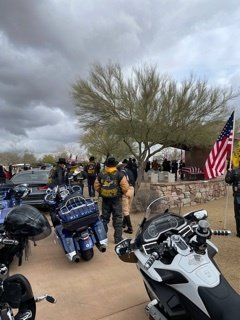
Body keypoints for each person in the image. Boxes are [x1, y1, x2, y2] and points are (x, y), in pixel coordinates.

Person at [94, 157, 130, 244]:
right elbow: (125, 187)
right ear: (115, 165)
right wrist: (119, 193)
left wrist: (103, 192)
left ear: (106, 165)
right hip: (116, 200)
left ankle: (102, 238)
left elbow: (96, 186)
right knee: (117, 219)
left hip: (105, 200)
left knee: (104, 219)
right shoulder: (120, 174)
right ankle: (118, 239)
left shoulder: (101, 174)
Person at [118, 159, 135, 234]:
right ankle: (124, 224)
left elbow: (121, 185)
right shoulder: (129, 171)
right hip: (132, 189)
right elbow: (134, 180)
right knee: (128, 209)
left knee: (125, 210)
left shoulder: (120, 173)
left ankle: (130, 228)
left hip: (126, 191)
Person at [225, 168, 240, 237]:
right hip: (238, 195)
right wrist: (229, 173)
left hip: (238, 195)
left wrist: (229, 172)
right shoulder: (235, 171)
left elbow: (228, 180)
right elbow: (228, 180)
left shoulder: (235, 171)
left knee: (238, 215)